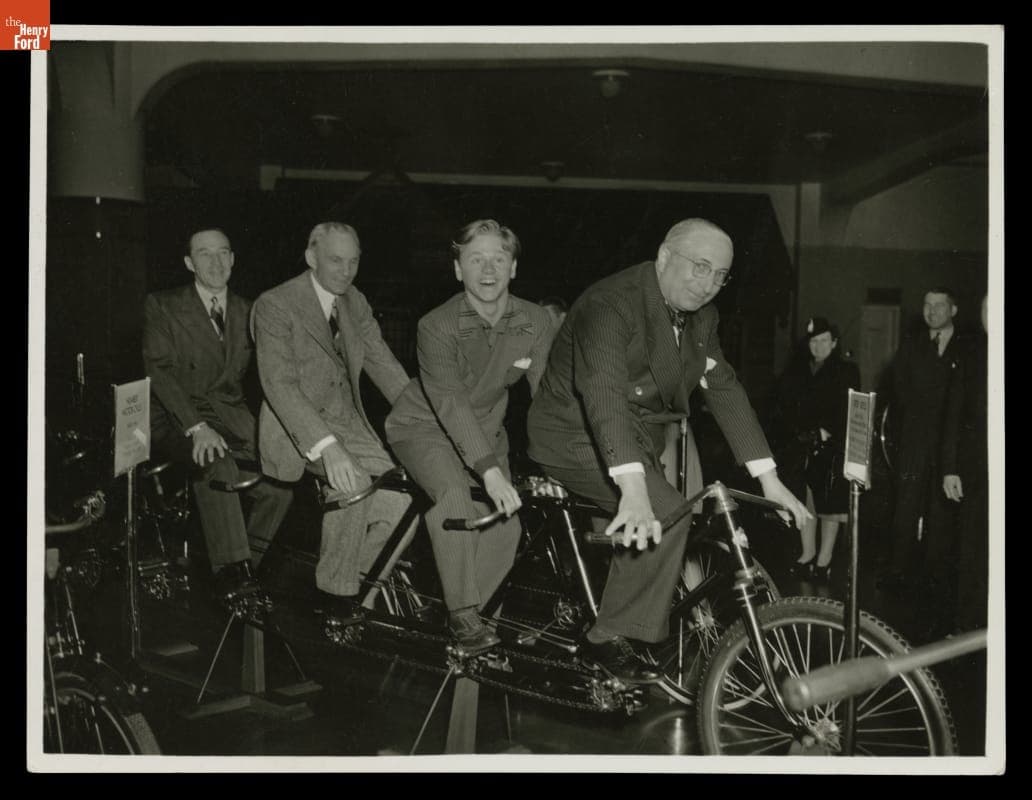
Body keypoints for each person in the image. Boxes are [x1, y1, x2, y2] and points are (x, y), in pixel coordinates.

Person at [526, 218, 810, 683]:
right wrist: (634, 490)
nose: (708, 284)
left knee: (650, 525)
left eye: (720, 275)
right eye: (700, 267)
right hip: (573, 432)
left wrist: (770, 481)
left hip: (635, 435)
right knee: (666, 513)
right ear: (663, 256)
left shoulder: (702, 316)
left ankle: (614, 612)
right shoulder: (610, 303)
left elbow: (722, 387)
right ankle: (607, 637)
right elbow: (603, 393)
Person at [385, 219, 554, 652]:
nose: (488, 269)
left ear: (513, 267)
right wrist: (490, 472)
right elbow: (451, 406)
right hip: (424, 427)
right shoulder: (436, 325)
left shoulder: (535, 320)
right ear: (458, 270)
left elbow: (548, 397)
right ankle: (462, 614)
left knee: (506, 525)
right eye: (476, 260)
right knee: (456, 498)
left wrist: (562, 460)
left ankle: (480, 632)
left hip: (486, 430)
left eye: (498, 258)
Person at [252, 222, 411, 623]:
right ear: (312, 258)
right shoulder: (275, 304)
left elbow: (385, 366)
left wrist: (428, 420)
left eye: (354, 261)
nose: (346, 271)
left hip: (349, 423)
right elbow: (280, 386)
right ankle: (335, 597)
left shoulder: (355, 301)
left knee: (404, 499)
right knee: (353, 485)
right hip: (299, 427)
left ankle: (362, 588)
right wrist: (328, 447)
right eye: (336, 260)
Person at [142, 227, 293, 609]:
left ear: (233, 259)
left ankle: (247, 570)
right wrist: (197, 427)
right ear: (189, 263)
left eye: (223, 252)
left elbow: (277, 366)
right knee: (217, 462)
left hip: (229, 413)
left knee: (280, 484)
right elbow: (160, 373)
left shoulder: (250, 310)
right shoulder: (163, 305)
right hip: (176, 414)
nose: (216, 262)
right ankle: (232, 575)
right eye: (204, 254)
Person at [881, 287, 967, 593]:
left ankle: (936, 581)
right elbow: (900, 390)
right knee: (905, 509)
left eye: (939, 305)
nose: (932, 311)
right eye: (927, 305)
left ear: (953, 310)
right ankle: (898, 575)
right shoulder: (912, 346)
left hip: (952, 448)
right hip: (915, 442)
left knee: (942, 514)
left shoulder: (968, 347)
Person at [771, 316, 860, 583]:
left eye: (823, 341)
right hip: (801, 446)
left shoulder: (846, 371)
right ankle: (808, 553)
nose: (818, 346)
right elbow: (784, 405)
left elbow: (849, 410)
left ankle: (825, 559)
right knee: (804, 499)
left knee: (828, 505)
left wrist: (826, 430)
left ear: (834, 343)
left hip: (830, 447)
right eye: (813, 341)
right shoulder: (798, 370)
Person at [939, 294, 988, 634]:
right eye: (986, 308)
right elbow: (953, 414)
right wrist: (950, 468)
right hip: (974, 471)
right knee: (972, 551)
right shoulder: (971, 354)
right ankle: (968, 629)